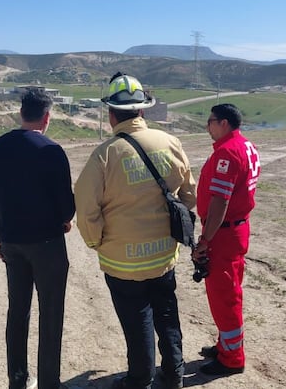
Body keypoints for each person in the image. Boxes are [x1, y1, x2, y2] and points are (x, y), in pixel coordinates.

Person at [74, 72, 196, 389]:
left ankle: (140, 380)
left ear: (111, 114)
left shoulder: (105, 155)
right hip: (164, 255)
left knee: (137, 320)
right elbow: (189, 195)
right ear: (142, 110)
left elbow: (86, 209)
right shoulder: (170, 143)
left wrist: (96, 242)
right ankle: (174, 374)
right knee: (167, 314)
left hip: (122, 261)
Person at [0, 88, 75, 389]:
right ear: (46, 118)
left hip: (11, 241)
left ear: (21, 113)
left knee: (17, 312)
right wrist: (64, 220)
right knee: (51, 314)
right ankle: (49, 382)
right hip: (47, 244)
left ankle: (17, 379)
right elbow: (66, 205)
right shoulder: (52, 151)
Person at [192, 103, 261, 377]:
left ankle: (232, 358)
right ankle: (226, 345)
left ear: (223, 123)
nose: (207, 126)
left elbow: (220, 201)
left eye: (210, 121)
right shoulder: (245, 145)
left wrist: (205, 240)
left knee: (225, 297)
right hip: (235, 229)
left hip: (223, 233)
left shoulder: (228, 153)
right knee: (228, 291)